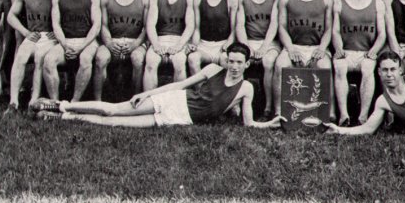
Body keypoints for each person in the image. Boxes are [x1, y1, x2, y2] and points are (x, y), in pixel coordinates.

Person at [31, 43, 282, 129]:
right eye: (231, 61)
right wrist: (147, 92)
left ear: (247, 64)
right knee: (113, 110)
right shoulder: (214, 69)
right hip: (174, 101)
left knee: (115, 123)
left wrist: (268, 124)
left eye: (239, 63)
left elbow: (248, 124)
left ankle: (63, 118)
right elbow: (182, 84)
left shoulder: (246, 89)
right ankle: (61, 104)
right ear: (226, 59)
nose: (234, 66)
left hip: (180, 118)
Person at [273, 0, 335, 119]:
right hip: (294, 45)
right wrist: (290, 48)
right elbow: (282, 27)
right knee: (280, 65)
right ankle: (278, 112)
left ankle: (331, 112)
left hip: (317, 46)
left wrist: (322, 48)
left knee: (325, 67)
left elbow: (329, 29)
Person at [4, 0, 60, 115]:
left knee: (39, 57)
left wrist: (58, 35)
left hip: (50, 37)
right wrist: (25, 32)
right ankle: (13, 102)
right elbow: (11, 16)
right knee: (20, 56)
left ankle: (32, 100)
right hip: (33, 35)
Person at [333, 0, 387, 124]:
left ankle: (363, 116)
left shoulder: (377, 3)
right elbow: (335, 31)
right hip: (347, 51)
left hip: (366, 52)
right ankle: (344, 115)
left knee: (368, 68)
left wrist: (374, 50)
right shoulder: (339, 2)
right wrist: (339, 48)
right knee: (340, 67)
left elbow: (382, 33)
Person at [42, 0, 101, 102]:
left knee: (86, 59)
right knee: (49, 60)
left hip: (87, 41)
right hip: (65, 41)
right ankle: (55, 103)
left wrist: (81, 47)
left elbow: (96, 25)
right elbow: (56, 24)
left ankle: (74, 102)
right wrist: (64, 44)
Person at [93, 0, 149, 101]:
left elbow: (146, 27)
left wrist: (135, 44)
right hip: (113, 40)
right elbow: (103, 25)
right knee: (101, 57)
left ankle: (136, 99)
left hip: (135, 41)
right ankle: (98, 101)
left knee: (137, 58)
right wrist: (109, 43)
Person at [236, 0, 282, 117]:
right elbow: (239, 25)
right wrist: (247, 47)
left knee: (268, 62)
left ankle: (268, 107)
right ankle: (236, 105)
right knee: (238, 60)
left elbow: (274, 24)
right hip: (248, 40)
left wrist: (263, 47)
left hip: (269, 42)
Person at [143, 0, 195, 91]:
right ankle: (149, 101)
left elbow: (190, 25)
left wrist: (179, 45)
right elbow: (150, 24)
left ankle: (177, 103)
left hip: (179, 39)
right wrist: (156, 45)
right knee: (151, 62)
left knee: (179, 62)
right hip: (160, 38)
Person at [189, 0, 238, 71]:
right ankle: (199, 89)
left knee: (227, 59)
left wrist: (228, 44)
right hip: (204, 45)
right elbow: (196, 29)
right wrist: (195, 45)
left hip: (222, 45)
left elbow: (234, 29)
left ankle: (222, 89)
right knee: (192, 58)